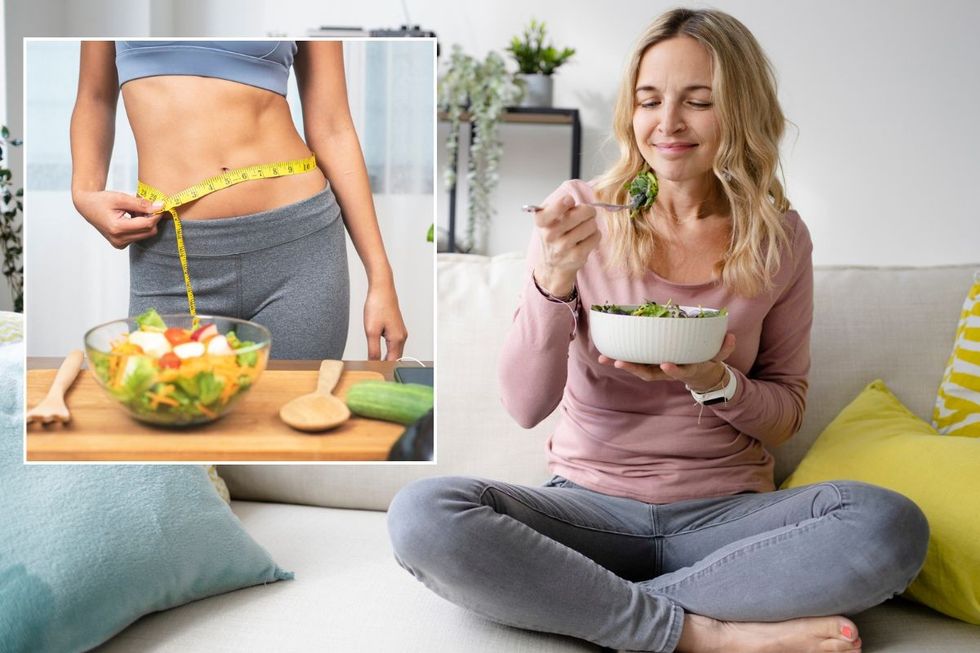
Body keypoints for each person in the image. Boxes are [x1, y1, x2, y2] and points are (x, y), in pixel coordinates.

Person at [388, 9, 928, 653]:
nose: (667, 125)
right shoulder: (582, 216)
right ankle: (704, 634)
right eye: (649, 101)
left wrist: (714, 381)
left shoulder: (781, 237)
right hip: (587, 508)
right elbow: (524, 405)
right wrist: (553, 278)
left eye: (698, 102)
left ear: (741, 112)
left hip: (729, 518)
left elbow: (785, 415)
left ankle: (587, 603)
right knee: (423, 516)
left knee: (890, 525)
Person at [70, 40, 407, 360]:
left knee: (294, 413)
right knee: (168, 406)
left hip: (299, 248)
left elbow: (333, 126)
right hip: (169, 252)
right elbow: (95, 97)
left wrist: (381, 277)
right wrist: (84, 192)